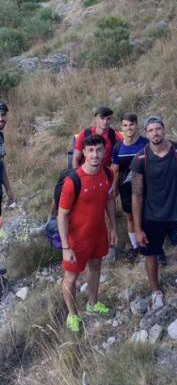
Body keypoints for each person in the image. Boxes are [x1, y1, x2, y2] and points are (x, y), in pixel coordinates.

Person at [131, 117, 177, 309]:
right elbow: (136, 193)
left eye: (158, 129)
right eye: (151, 130)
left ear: (164, 130)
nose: (155, 133)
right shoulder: (140, 158)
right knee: (151, 255)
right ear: (146, 133)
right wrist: (138, 227)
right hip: (152, 216)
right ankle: (155, 291)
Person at [58, 134, 118, 333]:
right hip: (77, 239)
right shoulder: (73, 180)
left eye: (99, 150)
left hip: (98, 233)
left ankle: (92, 304)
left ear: (104, 151)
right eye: (90, 150)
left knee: (96, 267)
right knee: (71, 278)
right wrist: (66, 247)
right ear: (83, 152)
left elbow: (109, 200)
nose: (95, 154)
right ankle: (72, 315)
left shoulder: (108, 174)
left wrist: (113, 228)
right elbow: (62, 216)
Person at [111, 113, 148, 262]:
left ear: (137, 125)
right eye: (125, 125)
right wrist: (114, 189)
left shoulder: (146, 143)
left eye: (131, 124)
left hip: (146, 187)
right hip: (126, 189)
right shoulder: (117, 148)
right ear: (121, 127)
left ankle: (152, 247)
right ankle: (135, 247)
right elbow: (115, 170)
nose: (129, 128)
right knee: (130, 217)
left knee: (148, 216)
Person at [0, 102, 15, 227]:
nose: (1, 118)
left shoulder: (0, 136)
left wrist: (8, 190)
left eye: (3, 115)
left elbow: (1, 164)